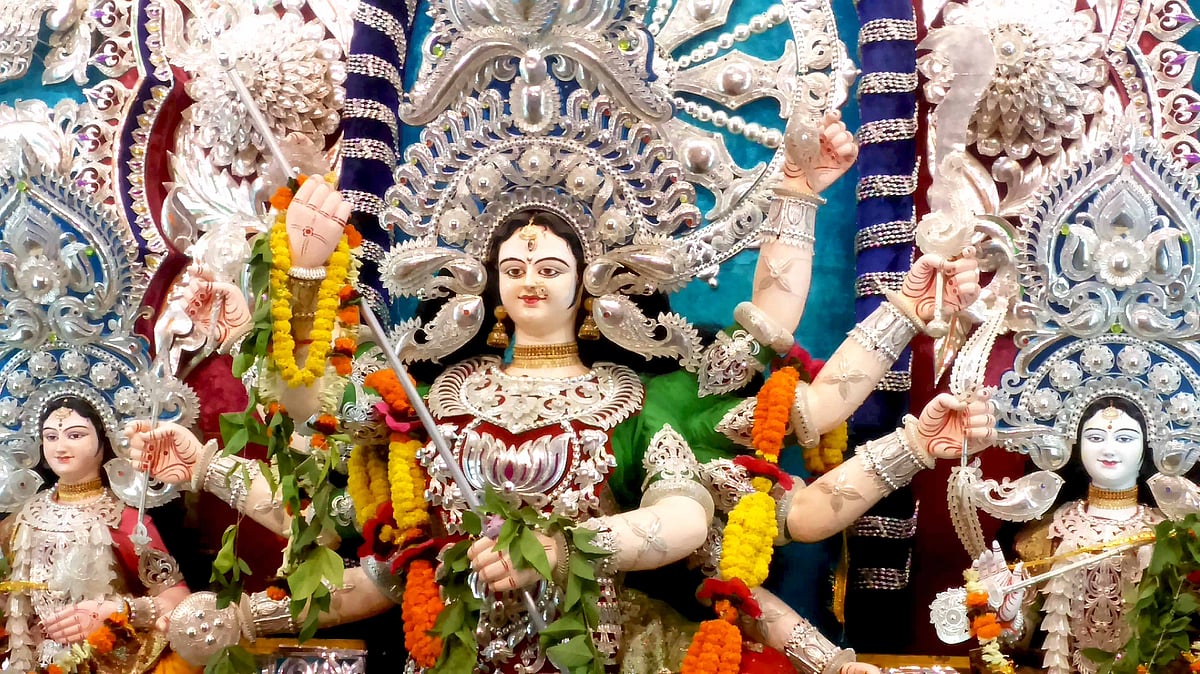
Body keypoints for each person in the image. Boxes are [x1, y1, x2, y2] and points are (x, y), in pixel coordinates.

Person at [126, 114, 992, 674]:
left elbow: (692, 518)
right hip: (453, 651)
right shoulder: (432, 398)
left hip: (623, 653)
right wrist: (307, 273)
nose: (530, 281)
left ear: (586, 284)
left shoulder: (636, 397)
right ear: (489, 286)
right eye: (513, 268)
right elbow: (312, 420)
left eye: (550, 267)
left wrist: (561, 548)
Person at [2, 396, 190, 674]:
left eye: (75, 435)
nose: (61, 447)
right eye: (50, 437)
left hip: (108, 660)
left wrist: (116, 611)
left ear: (105, 441)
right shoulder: (24, 517)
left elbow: (179, 600)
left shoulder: (122, 519)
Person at [976, 396, 1162, 674]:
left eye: (1125, 439)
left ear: (1147, 448)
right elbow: (1018, 635)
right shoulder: (1049, 532)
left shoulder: (1170, 534)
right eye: (1095, 437)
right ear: (1075, 445)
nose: (1108, 450)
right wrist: (1007, 615)